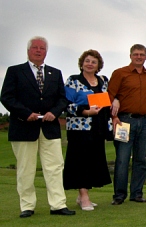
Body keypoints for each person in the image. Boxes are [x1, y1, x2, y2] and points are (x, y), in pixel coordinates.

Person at [1, 36, 75, 217]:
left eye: (42, 48)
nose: (38, 50)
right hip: (24, 127)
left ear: (46, 52)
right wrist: (26, 113)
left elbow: (62, 98)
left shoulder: (55, 73)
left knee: (55, 167)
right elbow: (7, 97)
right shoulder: (15, 71)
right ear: (28, 51)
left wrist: (54, 113)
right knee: (26, 168)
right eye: (35, 47)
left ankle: (58, 204)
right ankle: (27, 206)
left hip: (50, 128)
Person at [63, 50, 113, 211]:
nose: (90, 64)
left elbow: (107, 102)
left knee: (92, 162)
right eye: (87, 61)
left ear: (98, 65)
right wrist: (85, 111)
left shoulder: (103, 80)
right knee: (80, 162)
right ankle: (84, 196)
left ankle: (82, 195)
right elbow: (67, 104)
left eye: (93, 62)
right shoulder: (73, 80)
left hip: (97, 127)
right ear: (82, 63)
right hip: (79, 128)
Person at [108, 44, 146, 205]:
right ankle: (119, 195)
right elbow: (110, 95)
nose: (139, 57)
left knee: (140, 159)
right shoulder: (120, 73)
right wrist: (113, 117)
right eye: (136, 54)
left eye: (142, 54)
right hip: (124, 121)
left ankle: (137, 193)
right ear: (130, 56)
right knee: (122, 159)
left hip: (145, 121)